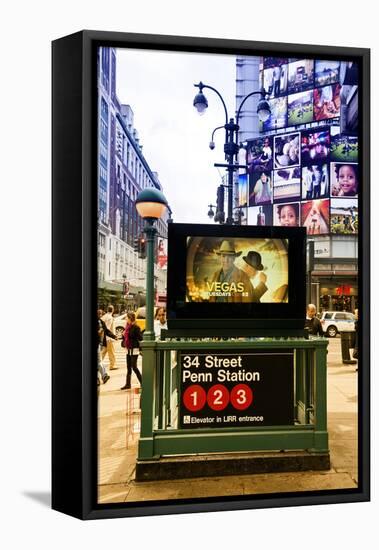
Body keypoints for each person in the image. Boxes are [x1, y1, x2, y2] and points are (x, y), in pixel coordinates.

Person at [121, 312, 142, 390]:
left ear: (130, 318)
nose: (126, 319)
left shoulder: (136, 327)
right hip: (128, 349)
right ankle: (127, 384)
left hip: (134, 349)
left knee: (134, 367)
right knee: (128, 367)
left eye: (127, 317)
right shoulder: (127, 327)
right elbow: (125, 338)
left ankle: (142, 382)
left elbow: (140, 338)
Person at [97, 309, 115, 384]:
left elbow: (106, 331)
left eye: (101, 314)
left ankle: (102, 376)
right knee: (99, 361)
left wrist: (114, 336)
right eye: (99, 314)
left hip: (99, 343)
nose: (100, 315)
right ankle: (104, 376)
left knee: (99, 360)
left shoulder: (101, 322)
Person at [101, 305, 117, 370]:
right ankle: (112, 365)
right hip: (109, 338)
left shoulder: (104, 316)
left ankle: (98, 362)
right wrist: (113, 336)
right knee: (111, 352)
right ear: (112, 310)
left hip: (104, 337)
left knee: (104, 351)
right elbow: (107, 329)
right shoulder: (110, 317)